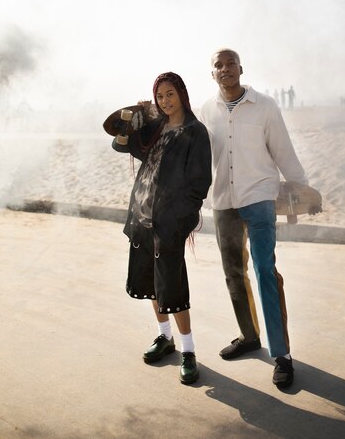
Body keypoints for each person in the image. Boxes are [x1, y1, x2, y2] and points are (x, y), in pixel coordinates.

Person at [200, 49, 308, 388]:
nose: (225, 68)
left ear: (241, 69)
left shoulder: (265, 106)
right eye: (218, 65)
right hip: (223, 202)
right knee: (233, 273)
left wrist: (301, 190)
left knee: (264, 271)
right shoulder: (206, 111)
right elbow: (200, 157)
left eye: (231, 63)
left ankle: (282, 355)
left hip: (260, 197)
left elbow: (283, 149)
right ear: (212, 74)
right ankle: (249, 337)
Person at [111, 72, 212, 385]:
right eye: (160, 96)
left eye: (170, 94)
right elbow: (122, 145)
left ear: (181, 93)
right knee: (151, 282)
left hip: (169, 222)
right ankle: (164, 337)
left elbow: (200, 182)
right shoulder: (156, 128)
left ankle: (189, 351)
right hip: (141, 215)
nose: (166, 101)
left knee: (172, 285)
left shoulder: (195, 132)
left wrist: (183, 219)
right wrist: (136, 119)